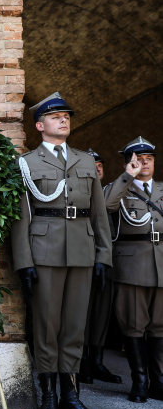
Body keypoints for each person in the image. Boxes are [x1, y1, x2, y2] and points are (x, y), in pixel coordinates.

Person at [12, 92, 112, 409]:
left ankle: (72, 399)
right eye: (56, 117)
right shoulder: (27, 163)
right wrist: (24, 261)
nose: (63, 119)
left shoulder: (85, 161)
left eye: (66, 115)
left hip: (82, 253)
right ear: (40, 126)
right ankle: (49, 399)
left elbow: (99, 214)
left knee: (74, 327)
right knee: (46, 328)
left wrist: (104, 256)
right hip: (45, 254)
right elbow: (21, 217)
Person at [104, 137, 163, 403]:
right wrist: (128, 176)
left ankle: (158, 382)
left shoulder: (162, 190)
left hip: (161, 264)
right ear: (130, 162)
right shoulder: (119, 189)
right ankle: (139, 382)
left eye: (148, 158)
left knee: (159, 326)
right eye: (138, 159)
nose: (144, 163)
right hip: (132, 264)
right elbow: (106, 206)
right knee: (134, 324)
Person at [78, 149, 122, 385]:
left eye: (100, 166)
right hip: (83, 258)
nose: (97, 170)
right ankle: (83, 362)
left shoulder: (110, 192)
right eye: (92, 166)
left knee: (102, 314)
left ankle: (97, 361)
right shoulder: (82, 192)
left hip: (106, 261)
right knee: (82, 314)